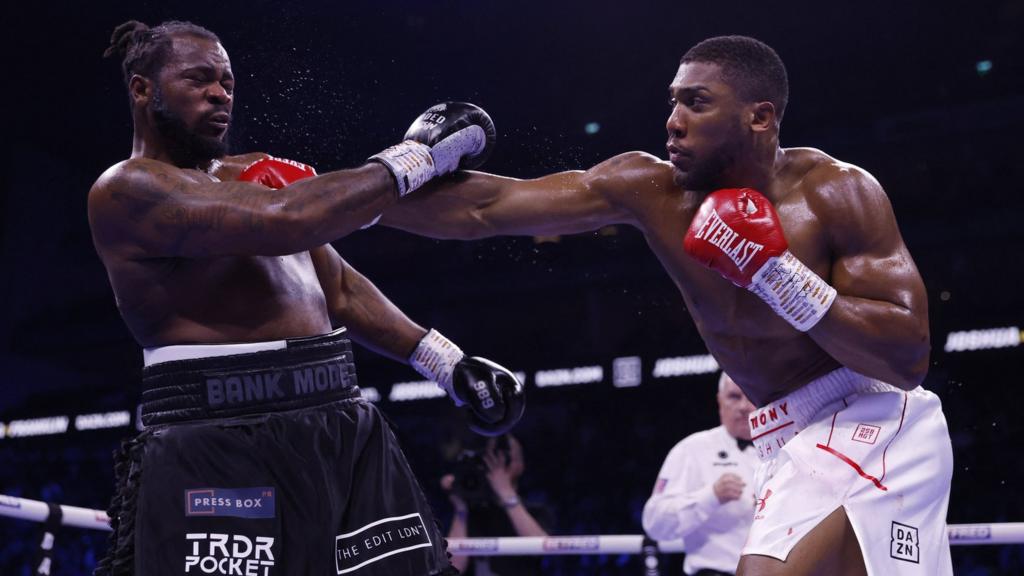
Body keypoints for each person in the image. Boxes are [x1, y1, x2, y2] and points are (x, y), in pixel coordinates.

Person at [382, 35, 953, 575]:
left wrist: (777, 276)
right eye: (673, 102)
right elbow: (485, 206)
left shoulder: (836, 191)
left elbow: (908, 359)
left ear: (760, 116)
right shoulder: (651, 190)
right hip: (786, 431)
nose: (672, 122)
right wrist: (361, 183)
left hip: (870, 413)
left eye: (696, 103)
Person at [88, 20, 523, 576]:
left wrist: (445, 362)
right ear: (142, 89)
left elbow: (336, 286)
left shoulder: (253, 173)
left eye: (226, 80)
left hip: (339, 424)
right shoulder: (126, 190)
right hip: (220, 440)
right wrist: (416, 157)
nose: (220, 92)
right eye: (198, 79)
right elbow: (289, 221)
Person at [643, 372, 757, 576]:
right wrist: (710, 497)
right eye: (734, 396)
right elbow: (655, 523)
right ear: (719, 400)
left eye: (750, 395)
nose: (743, 406)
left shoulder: (787, 447)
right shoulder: (692, 450)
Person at [441, 435, 550, 575]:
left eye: (506, 457)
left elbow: (541, 549)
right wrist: (461, 510)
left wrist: (505, 493)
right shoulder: (472, 513)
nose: (499, 463)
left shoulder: (536, 510)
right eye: (492, 456)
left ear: (520, 465)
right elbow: (454, 567)